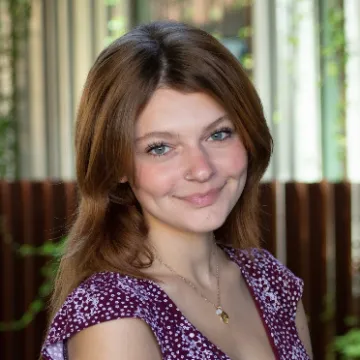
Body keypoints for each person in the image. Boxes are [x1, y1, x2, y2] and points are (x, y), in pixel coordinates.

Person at [40, 21, 313, 360]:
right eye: (160, 148)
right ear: (118, 165)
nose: (201, 169)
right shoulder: (112, 317)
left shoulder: (272, 282)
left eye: (218, 134)